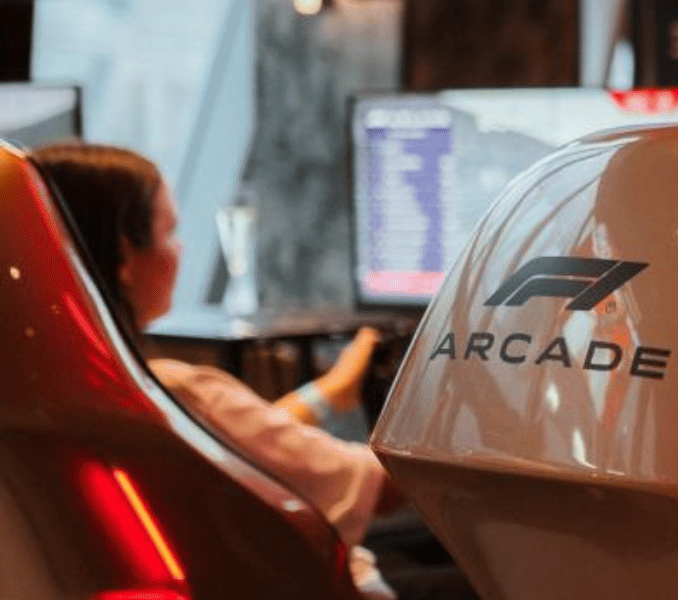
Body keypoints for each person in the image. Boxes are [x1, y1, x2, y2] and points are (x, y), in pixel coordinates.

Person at [31, 143, 471, 600]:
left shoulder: (75, 394)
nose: (181, 251)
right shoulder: (178, 389)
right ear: (125, 255)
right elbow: (383, 488)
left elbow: (235, 451)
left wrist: (326, 394)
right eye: (171, 232)